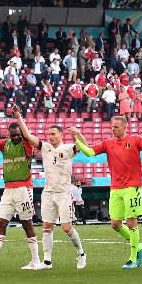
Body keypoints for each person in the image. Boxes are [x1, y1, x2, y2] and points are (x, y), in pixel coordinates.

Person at [70, 116, 142, 269]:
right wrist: (77, 138)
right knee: (115, 224)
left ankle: (133, 259)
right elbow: (89, 152)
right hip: (116, 188)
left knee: (132, 222)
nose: (113, 129)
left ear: (125, 127)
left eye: (116, 127)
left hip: (132, 187)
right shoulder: (108, 143)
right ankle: (140, 248)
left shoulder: (135, 140)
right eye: (112, 127)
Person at [13, 107, 86, 269]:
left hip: (64, 193)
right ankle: (47, 261)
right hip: (48, 193)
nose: (50, 137)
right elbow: (27, 135)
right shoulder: (45, 147)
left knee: (67, 228)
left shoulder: (68, 149)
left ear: (61, 135)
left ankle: (81, 253)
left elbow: (85, 147)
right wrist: (18, 116)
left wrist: (78, 134)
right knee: (47, 227)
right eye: (49, 134)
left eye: (53, 134)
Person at [0, 110, 42, 271]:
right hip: (8, 190)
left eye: (18, 134)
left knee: (27, 224)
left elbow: (26, 135)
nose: (15, 137)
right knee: (1, 223)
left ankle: (36, 260)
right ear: (9, 135)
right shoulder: (5, 143)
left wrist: (19, 118)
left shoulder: (26, 143)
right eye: (12, 135)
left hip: (24, 189)